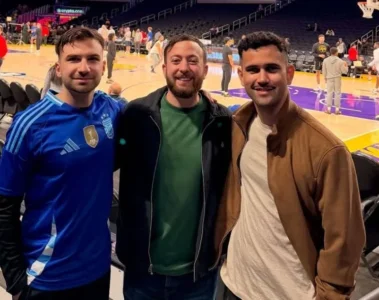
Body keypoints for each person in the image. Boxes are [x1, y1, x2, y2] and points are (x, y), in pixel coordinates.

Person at [214, 31, 365, 300]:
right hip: (233, 283)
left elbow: (345, 240)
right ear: (241, 75)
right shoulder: (239, 124)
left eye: (272, 69)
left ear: (290, 73)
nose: (261, 78)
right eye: (252, 70)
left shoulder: (327, 150)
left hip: (289, 293)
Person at [0, 27, 125, 300]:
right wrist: (16, 279)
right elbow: (4, 206)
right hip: (45, 276)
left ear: (103, 65)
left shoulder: (112, 110)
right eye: (73, 59)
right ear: (58, 68)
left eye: (92, 59)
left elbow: (154, 111)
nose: (84, 67)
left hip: (97, 270)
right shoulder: (31, 124)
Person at [115, 33, 232, 299]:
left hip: (198, 274)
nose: (184, 68)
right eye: (176, 60)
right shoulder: (136, 115)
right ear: (165, 67)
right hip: (142, 269)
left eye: (192, 61)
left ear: (204, 69)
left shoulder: (222, 121)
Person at [322, 47, 348, 114]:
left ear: (330, 52)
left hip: (329, 78)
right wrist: (346, 66)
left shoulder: (325, 60)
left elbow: (324, 71)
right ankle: (337, 110)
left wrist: (325, 77)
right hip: (337, 78)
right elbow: (345, 71)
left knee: (329, 93)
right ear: (336, 52)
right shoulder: (340, 61)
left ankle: (328, 109)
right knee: (337, 93)